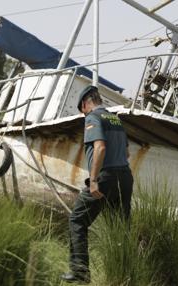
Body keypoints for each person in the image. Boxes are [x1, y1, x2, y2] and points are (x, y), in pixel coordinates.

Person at [61, 86, 134, 284]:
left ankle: (80, 273)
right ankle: (124, 273)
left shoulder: (93, 117)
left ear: (85, 104)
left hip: (106, 178)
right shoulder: (115, 119)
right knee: (119, 227)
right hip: (125, 177)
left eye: (82, 110)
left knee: (77, 220)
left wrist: (93, 180)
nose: (84, 114)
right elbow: (127, 153)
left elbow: (100, 147)